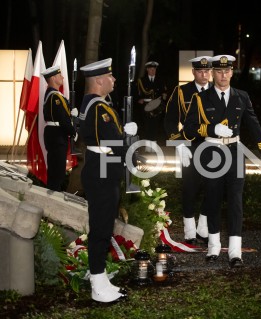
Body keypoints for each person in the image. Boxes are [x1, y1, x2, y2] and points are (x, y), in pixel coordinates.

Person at [183, 55, 261, 268]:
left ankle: (235, 251)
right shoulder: (201, 98)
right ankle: (213, 245)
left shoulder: (242, 96)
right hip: (212, 152)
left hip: (235, 152)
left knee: (235, 201)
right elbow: (188, 129)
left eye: (227, 71)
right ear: (213, 73)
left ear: (232, 72)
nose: (223, 75)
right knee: (212, 200)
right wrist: (212, 129)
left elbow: (254, 123)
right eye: (219, 71)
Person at [79, 58, 137, 302]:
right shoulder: (98, 108)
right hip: (102, 170)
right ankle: (97, 284)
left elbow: (104, 138)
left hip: (102, 168)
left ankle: (101, 278)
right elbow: (110, 141)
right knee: (100, 229)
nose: (113, 80)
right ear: (99, 80)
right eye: (110, 76)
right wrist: (130, 145)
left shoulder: (94, 104)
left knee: (104, 226)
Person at [164, 56, 213, 244]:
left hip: (212, 145)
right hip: (189, 145)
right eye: (200, 71)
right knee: (190, 188)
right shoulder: (182, 92)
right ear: (193, 72)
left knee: (212, 187)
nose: (204, 74)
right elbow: (170, 120)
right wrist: (179, 144)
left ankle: (203, 226)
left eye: (207, 71)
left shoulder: (216, 92)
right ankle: (189, 228)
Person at [41, 65, 77, 191]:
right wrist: (73, 132)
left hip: (55, 134)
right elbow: (62, 119)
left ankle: (54, 193)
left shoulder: (54, 95)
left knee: (57, 169)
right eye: (59, 75)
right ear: (53, 78)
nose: (62, 77)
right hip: (57, 135)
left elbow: (62, 114)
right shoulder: (55, 96)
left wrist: (71, 113)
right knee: (57, 170)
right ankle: (53, 197)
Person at [136, 61, 168, 147]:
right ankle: (147, 145)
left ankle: (153, 146)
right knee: (147, 126)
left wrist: (163, 99)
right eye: (151, 69)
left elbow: (164, 92)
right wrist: (139, 99)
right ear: (147, 70)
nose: (153, 71)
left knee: (155, 126)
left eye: (154, 69)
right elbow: (137, 93)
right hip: (146, 105)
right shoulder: (141, 80)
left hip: (157, 106)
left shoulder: (160, 80)